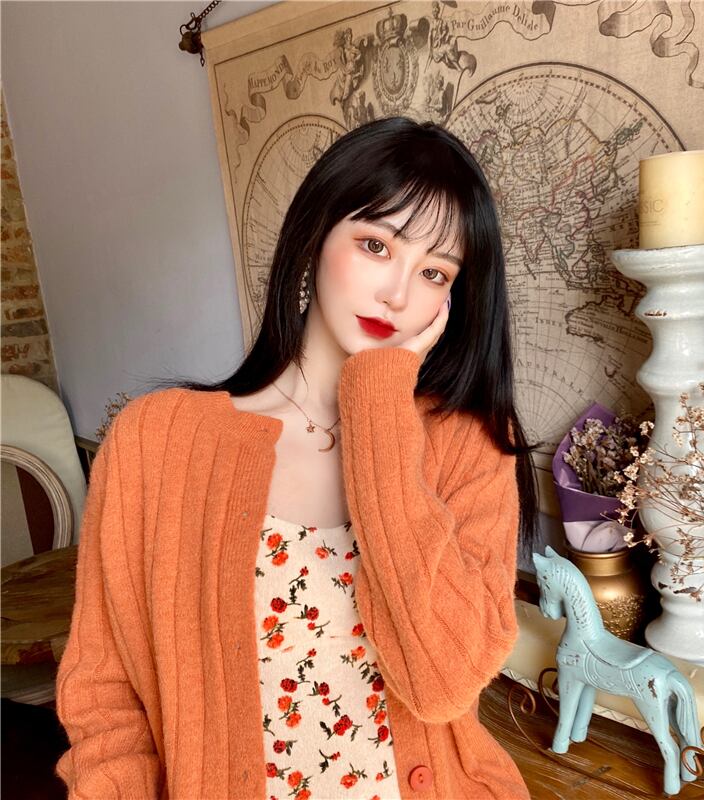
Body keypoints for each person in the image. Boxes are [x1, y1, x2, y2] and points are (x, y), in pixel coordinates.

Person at [54, 116, 538, 800]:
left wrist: (379, 404)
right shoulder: (155, 440)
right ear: (314, 237)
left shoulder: (470, 440)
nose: (398, 293)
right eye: (375, 245)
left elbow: (442, 682)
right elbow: (105, 699)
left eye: (434, 272)